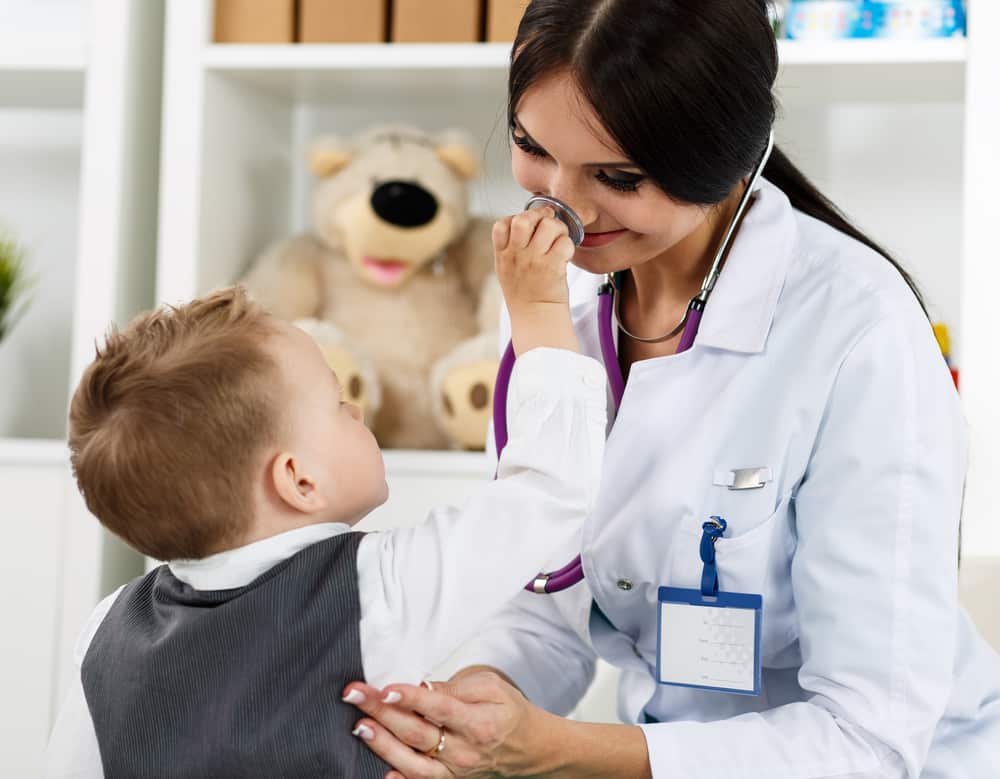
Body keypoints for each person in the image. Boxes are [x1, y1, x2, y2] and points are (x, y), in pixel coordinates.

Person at [344, 1, 1000, 777]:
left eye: (616, 177)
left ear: (730, 155)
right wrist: (480, 698)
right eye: (530, 146)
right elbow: (546, 590)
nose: (563, 208)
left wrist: (556, 750)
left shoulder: (860, 329)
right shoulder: (554, 294)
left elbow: (868, 737)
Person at [44, 221, 607, 778]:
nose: (357, 412)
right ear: (298, 480)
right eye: (338, 402)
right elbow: (548, 488)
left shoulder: (107, 630)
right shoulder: (375, 590)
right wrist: (535, 307)